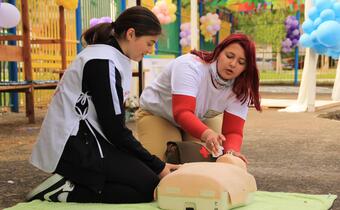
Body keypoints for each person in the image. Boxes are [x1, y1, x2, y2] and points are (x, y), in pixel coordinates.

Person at [26, 6, 179, 204]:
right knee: (147, 186)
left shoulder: (107, 56)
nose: (151, 50)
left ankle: (77, 182)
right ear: (131, 34)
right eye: (149, 43)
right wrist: (157, 165)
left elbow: (113, 127)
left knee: (147, 178)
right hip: (75, 146)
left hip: (89, 140)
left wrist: (152, 165)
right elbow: (116, 130)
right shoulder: (103, 62)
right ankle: (64, 189)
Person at [136, 33, 261, 163]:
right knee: (162, 164)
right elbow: (182, 112)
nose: (233, 64)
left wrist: (231, 152)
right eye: (229, 56)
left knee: (215, 159)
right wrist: (207, 134)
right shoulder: (190, 65)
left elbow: (233, 132)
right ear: (218, 52)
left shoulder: (241, 87)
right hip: (158, 114)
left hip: (198, 118)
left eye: (241, 62)